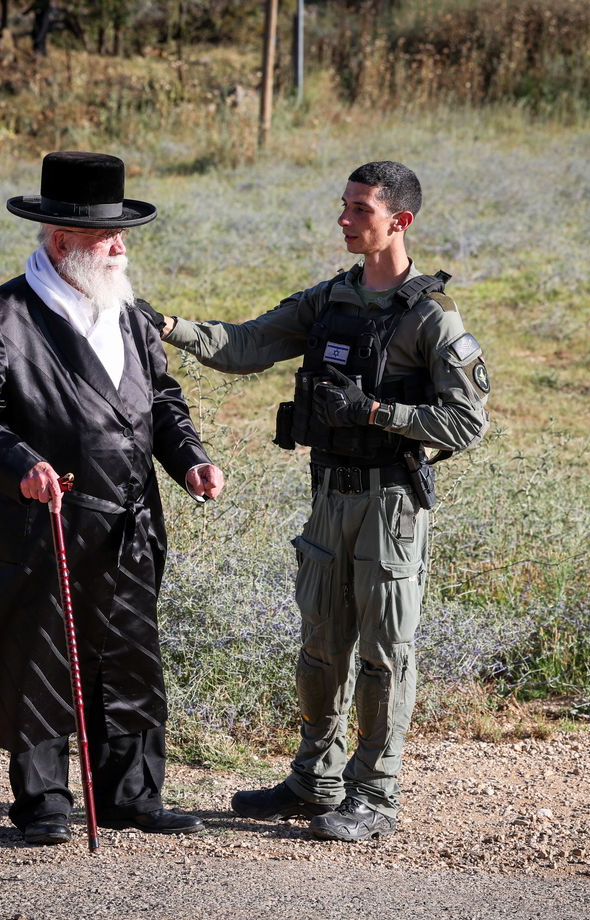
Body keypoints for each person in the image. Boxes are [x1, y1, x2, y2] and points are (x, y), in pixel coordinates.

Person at [147, 161, 490, 841]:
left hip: (391, 504)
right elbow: (243, 344)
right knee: (320, 648)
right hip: (329, 496)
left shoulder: (432, 318)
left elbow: (467, 422)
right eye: (344, 206)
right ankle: (314, 780)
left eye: (360, 210)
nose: (344, 219)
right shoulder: (330, 300)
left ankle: (375, 794)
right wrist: (167, 324)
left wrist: (375, 412)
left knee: (384, 653)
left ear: (400, 221)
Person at [0, 151, 225, 845]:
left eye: (122, 235)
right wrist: (20, 463)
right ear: (61, 240)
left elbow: (161, 401)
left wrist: (189, 458)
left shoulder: (129, 313)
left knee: (129, 657)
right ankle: (43, 801)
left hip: (129, 523)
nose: (121, 249)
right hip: (44, 521)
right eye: (108, 239)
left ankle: (131, 791)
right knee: (41, 659)